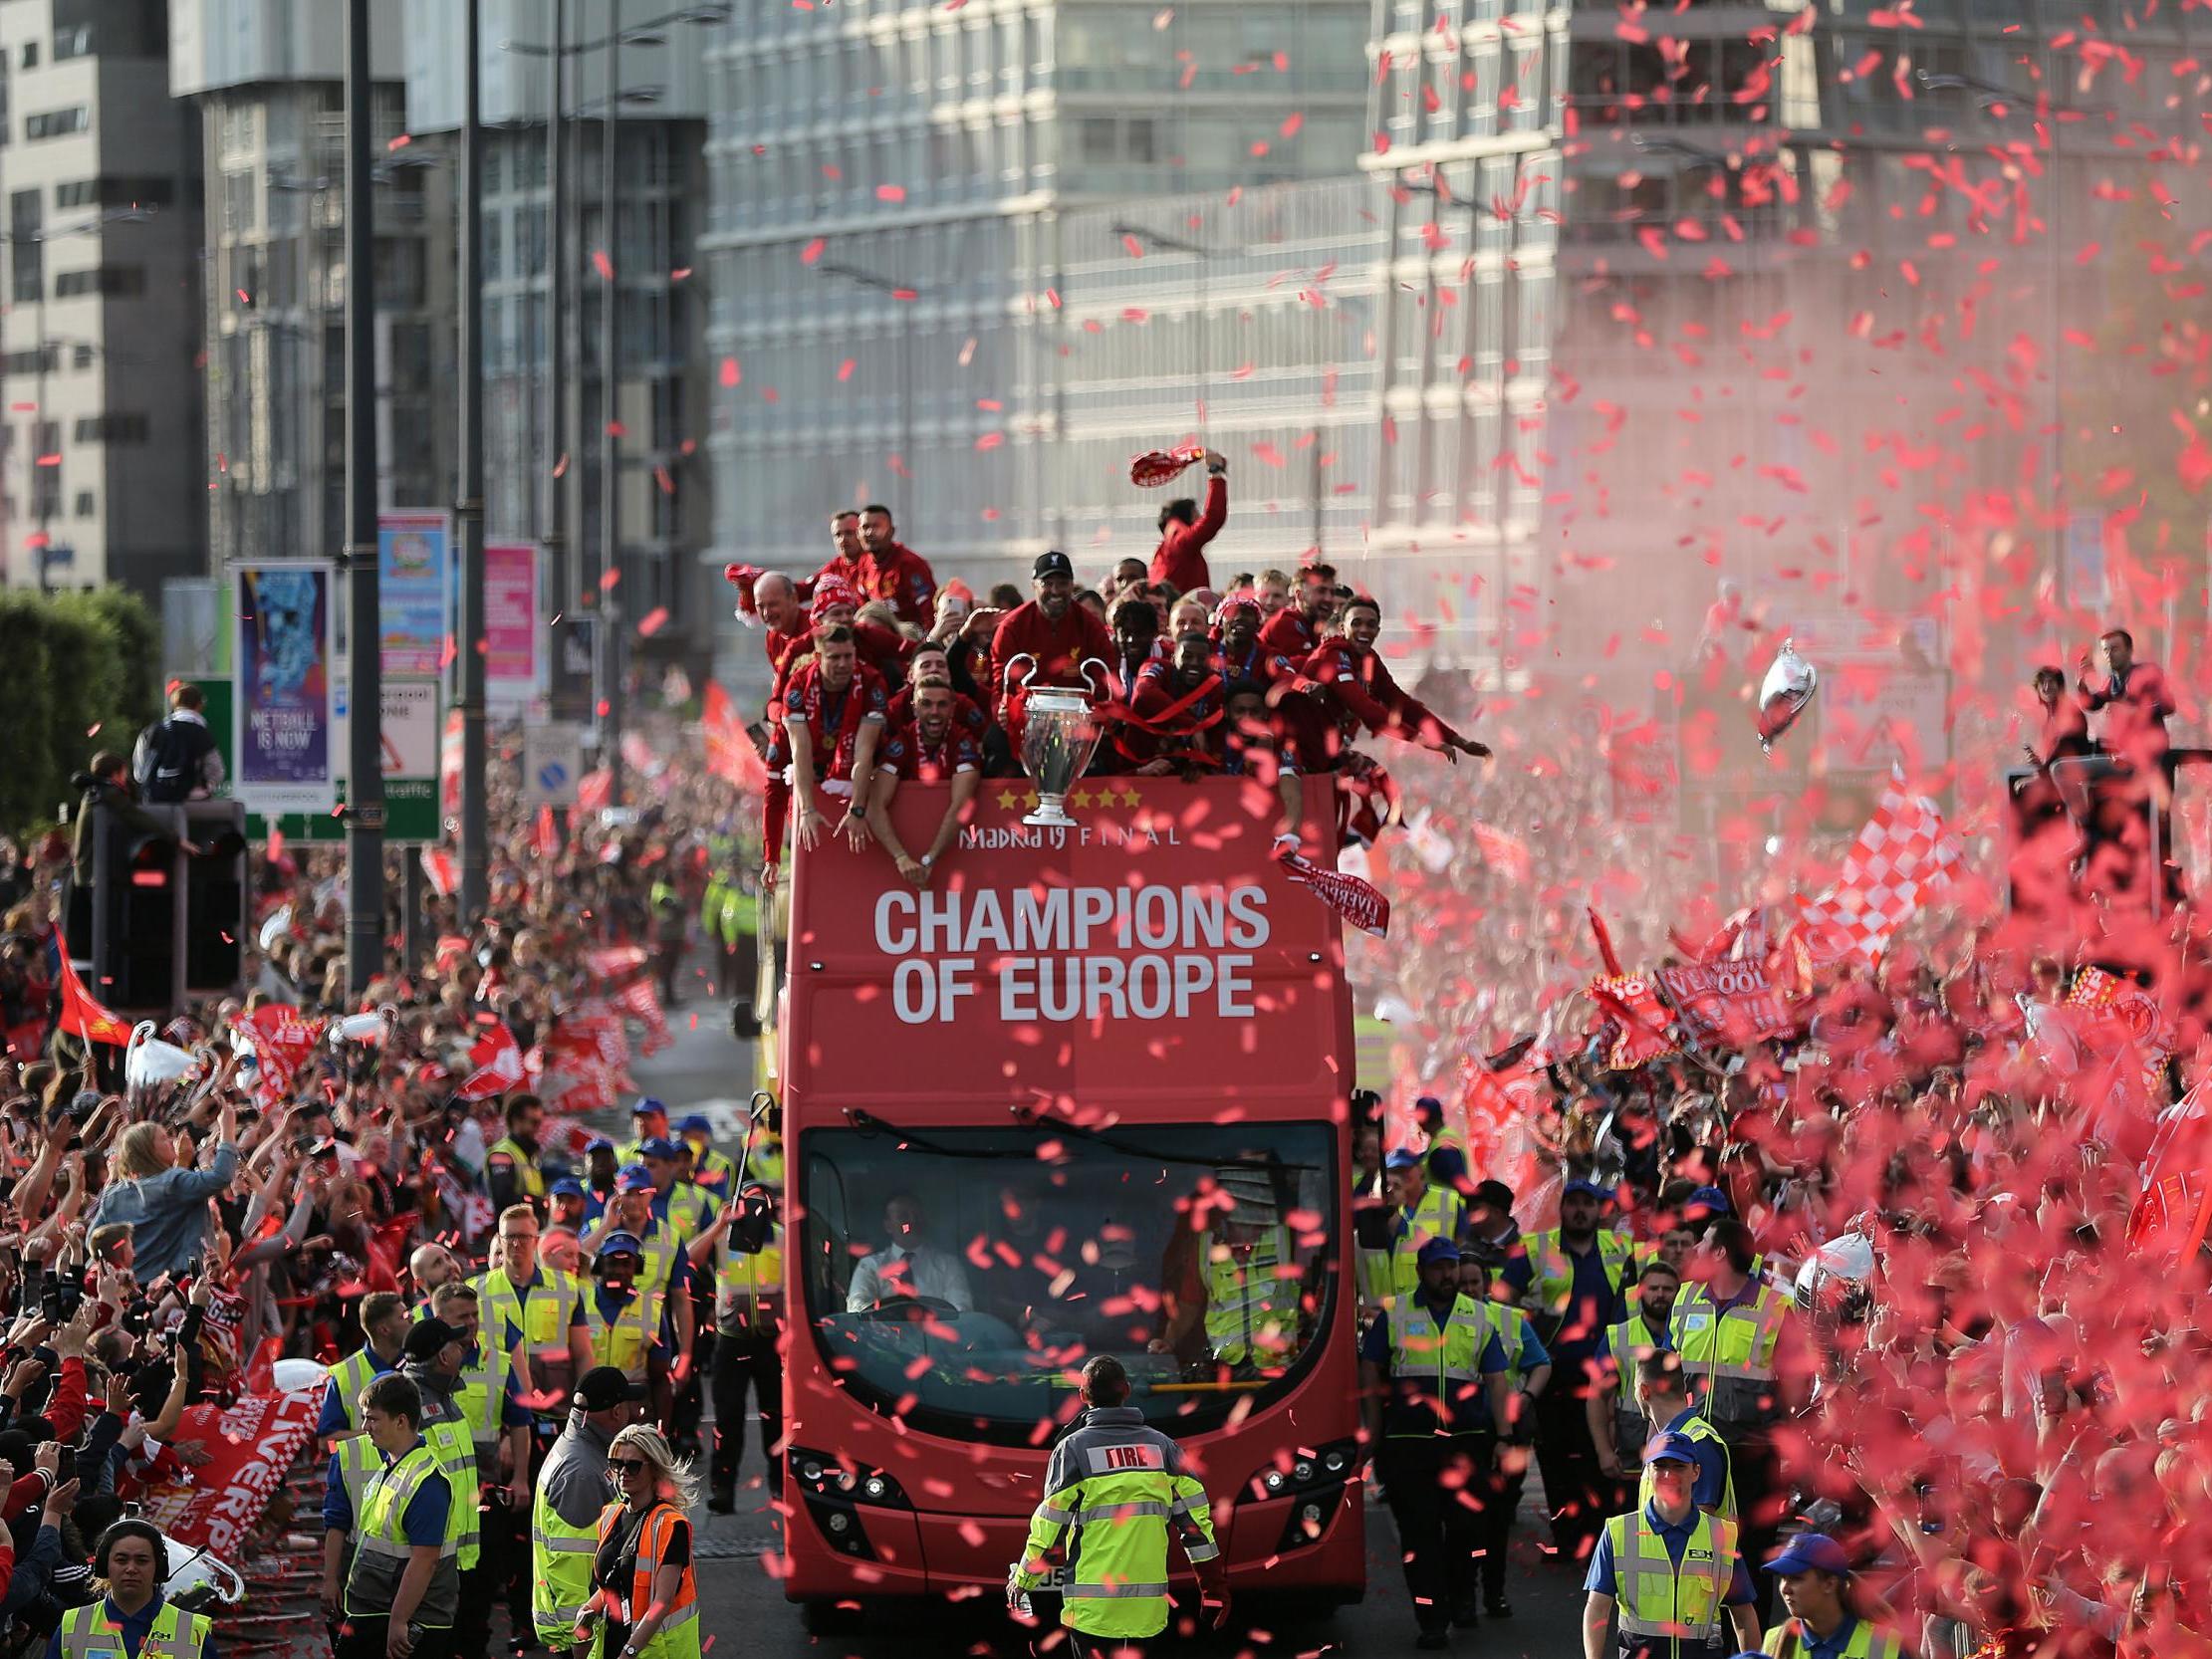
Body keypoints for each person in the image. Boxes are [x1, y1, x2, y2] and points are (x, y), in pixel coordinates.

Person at [1008, 1355, 1226, 1658]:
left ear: (1083, 1396)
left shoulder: (1072, 1449)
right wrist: (1213, 1588)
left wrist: (1023, 1581)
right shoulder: (1164, 1448)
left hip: (1091, 1611)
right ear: (1126, 1389)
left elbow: (1049, 1528)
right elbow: (1197, 1527)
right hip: (1147, 1613)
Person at [1359, 1238, 1510, 1647]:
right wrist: (1373, 1428)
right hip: (1410, 1444)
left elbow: (1496, 1380)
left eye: (1452, 1267)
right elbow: (1370, 1366)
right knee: (1420, 1536)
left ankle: (1462, 1598)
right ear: (1422, 1272)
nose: (1448, 1275)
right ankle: (1431, 1620)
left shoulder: (1477, 1316)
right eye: (1439, 1268)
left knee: (1465, 1530)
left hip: (1465, 1443)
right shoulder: (1397, 1313)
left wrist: (1505, 1436)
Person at [1530, 1178, 1637, 1564]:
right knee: (1556, 1461)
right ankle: (1564, 1536)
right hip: (1553, 1376)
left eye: (1586, 1204)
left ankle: (1597, 1540)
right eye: (1572, 1203)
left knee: (1600, 1459)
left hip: (1604, 1377)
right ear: (1561, 1209)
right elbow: (1506, 1302)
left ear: (1599, 1210)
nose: (1579, 1211)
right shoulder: (1537, 1250)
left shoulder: (1619, 1249)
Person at [1582, 1433, 1760, 1659]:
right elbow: (1597, 1608)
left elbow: (1743, 1615)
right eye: (1660, 1466)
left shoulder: (1722, 1536)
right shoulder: (1618, 1532)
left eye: (1679, 1466)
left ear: (1696, 1472)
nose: (1669, 1474)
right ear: (1648, 1471)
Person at [330, 1372, 460, 1659]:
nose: (365, 1428)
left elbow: (425, 1560)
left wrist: (399, 1620)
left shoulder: (426, 1481)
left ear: (401, 1421)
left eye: (373, 1419)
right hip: (378, 1612)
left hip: (406, 1620)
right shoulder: (393, 1466)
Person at [531, 1367, 646, 1659]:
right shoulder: (582, 1472)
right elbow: (571, 1566)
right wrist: (581, 1640)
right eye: (629, 1405)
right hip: (581, 1638)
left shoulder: (582, 1450)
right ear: (617, 1412)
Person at [1460, 1249, 1550, 1623]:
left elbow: (1541, 1363)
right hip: (1460, 1433)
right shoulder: (1441, 1321)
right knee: (1464, 1520)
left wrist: (1526, 1398)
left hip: (1505, 1433)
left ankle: (1493, 1592)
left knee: (1497, 1519)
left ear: (1486, 1283)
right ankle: (1463, 1595)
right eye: (1461, 1282)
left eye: (1474, 1282)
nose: (1467, 1288)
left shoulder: (1510, 1320)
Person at [690, 1182, 783, 1512]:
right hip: (731, 1341)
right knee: (727, 1420)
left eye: (761, 1202)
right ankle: (723, 1490)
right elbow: (690, 1260)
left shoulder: (782, 1237)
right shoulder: (725, 1236)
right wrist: (719, 1224)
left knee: (776, 1418)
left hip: (773, 1341)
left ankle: (780, 1486)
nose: (755, 1209)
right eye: (749, 1202)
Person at [577, 1425, 700, 1659]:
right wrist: (588, 1609)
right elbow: (613, 1582)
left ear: (654, 1469)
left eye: (633, 1465)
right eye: (616, 1464)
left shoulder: (671, 1525)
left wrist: (630, 1651)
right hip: (612, 1645)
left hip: (654, 1651)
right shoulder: (610, 1516)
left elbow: (662, 1602)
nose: (623, 1472)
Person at [88, 1110, 242, 1280]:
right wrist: (227, 1129)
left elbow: (93, 1241)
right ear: (148, 1151)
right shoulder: (173, 1181)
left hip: (141, 1290)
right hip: (184, 1285)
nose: (171, 1141)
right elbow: (222, 1177)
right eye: (163, 1138)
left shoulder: (113, 1196)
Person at [472, 1205, 592, 1414]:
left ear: (536, 1240)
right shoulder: (475, 1290)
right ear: (500, 1241)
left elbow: (583, 1354)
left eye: (524, 1236)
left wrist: (584, 1405)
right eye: (510, 1237)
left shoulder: (567, 1288)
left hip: (556, 1409)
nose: (516, 1243)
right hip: (500, 1411)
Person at [781, 625, 888, 855]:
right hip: (815, 759)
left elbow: (864, 751)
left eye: (848, 656)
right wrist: (807, 810)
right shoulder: (798, 685)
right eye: (834, 657)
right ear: (818, 657)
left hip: (855, 764)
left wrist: (858, 809)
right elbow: (800, 750)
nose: (842, 664)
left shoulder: (872, 682)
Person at [866, 676, 983, 886]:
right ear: (915, 708)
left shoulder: (964, 742)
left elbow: (961, 805)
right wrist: (901, 857)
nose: (934, 712)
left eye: (942, 704)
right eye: (926, 704)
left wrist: (931, 858)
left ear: (953, 708)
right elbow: (874, 805)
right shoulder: (902, 741)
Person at [51, 1519, 218, 1659]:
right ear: (104, 1566)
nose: (131, 1568)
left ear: (158, 1568)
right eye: (121, 1560)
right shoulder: (73, 1625)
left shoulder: (192, 1630)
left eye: (142, 1560)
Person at [1589, 1261, 1685, 1481]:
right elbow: (1597, 1398)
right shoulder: (1617, 1336)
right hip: (1630, 1452)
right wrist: (1603, 1451)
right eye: (1653, 1288)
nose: (1660, 1294)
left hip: (1679, 1450)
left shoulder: (1688, 1332)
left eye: (1668, 1289)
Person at [989, 551, 1113, 710]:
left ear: (1071, 585)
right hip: (1026, 716)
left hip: (1080, 721)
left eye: (1062, 583)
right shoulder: (1012, 627)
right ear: (1034, 585)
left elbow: (1107, 677)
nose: (1055, 591)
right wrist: (1007, 713)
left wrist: (1102, 710)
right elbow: (1002, 685)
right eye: (1047, 583)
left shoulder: (1090, 626)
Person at [1758, 1533, 1913, 1658]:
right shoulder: (1774, 1640)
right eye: (1783, 1578)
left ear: (1829, 1584)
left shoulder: (1882, 1643)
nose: (1785, 1589)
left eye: (1796, 1578)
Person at [846, 1194, 974, 1311]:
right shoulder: (870, 1266)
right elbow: (858, 1310)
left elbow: (961, 1311)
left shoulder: (948, 1265)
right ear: (888, 1226)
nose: (912, 1221)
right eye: (903, 1216)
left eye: (917, 1215)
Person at [322, 1292, 410, 1438]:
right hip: (375, 1461)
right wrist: (383, 1433)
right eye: (404, 1317)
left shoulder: (421, 1358)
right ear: (384, 1329)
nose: (411, 1319)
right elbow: (326, 1441)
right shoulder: (345, 1374)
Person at [131, 683, 224, 805]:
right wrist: (206, 788)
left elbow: (139, 772)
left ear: (174, 704)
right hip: (193, 803)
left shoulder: (152, 731)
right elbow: (216, 770)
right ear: (199, 705)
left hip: (156, 801)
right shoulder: (201, 733)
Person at [1149, 449, 1227, 592]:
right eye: (1197, 514)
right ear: (1188, 517)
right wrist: (1216, 472)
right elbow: (1213, 518)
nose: (1200, 519)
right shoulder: (1180, 542)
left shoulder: (1164, 552)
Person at [855, 503, 938, 628]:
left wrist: (928, 642)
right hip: (880, 636)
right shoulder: (863, 563)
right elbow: (863, 608)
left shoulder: (910, 564)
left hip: (911, 637)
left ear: (891, 531)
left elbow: (929, 610)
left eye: (877, 527)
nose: (870, 532)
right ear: (858, 533)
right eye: (865, 527)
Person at [485, 1096, 549, 1214]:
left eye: (539, 1123)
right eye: (534, 1122)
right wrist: (540, 1202)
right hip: (511, 1227)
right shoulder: (502, 1153)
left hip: (530, 1224)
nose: (537, 1128)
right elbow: (504, 1197)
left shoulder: (529, 1152)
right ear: (516, 1121)